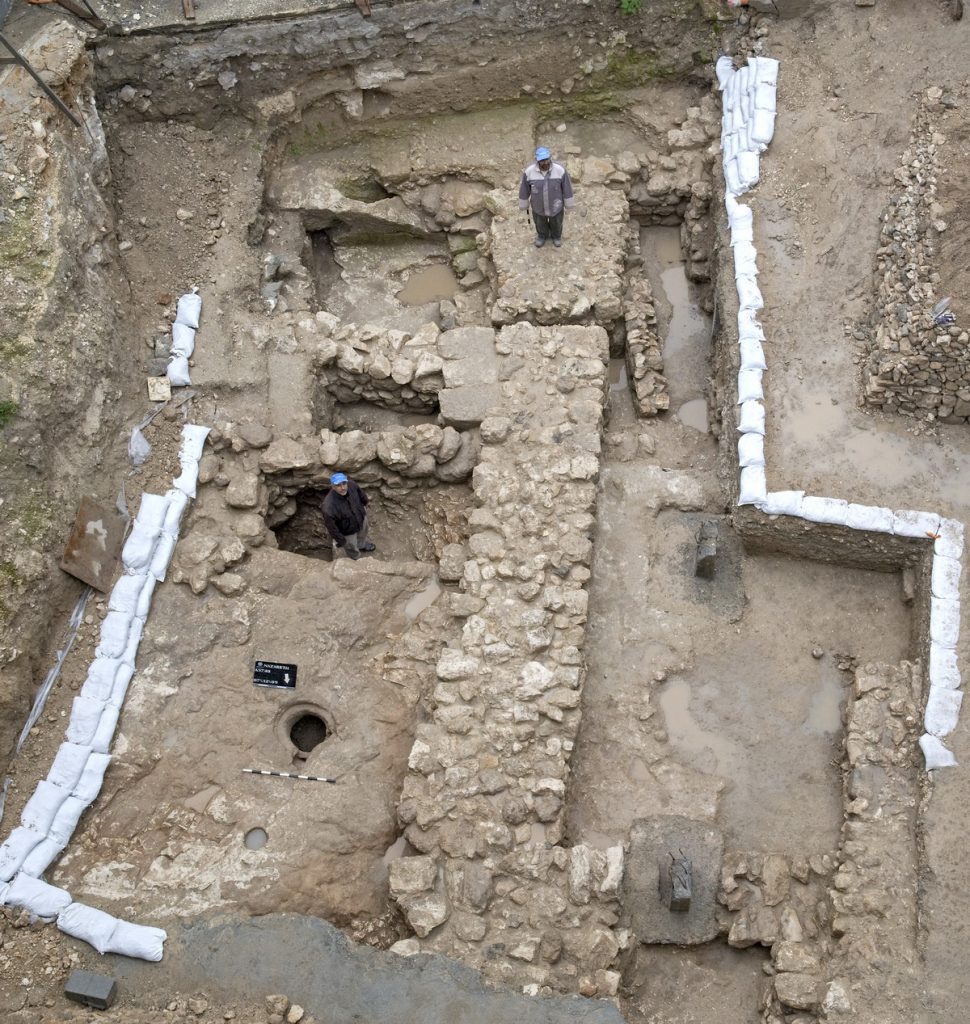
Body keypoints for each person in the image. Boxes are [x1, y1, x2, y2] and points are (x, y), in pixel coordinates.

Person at [518, 146, 575, 249]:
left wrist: (569, 203)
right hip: (538, 206)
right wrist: (524, 203)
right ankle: (542, 236)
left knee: (557, 222)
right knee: (540, 223)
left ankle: (556, 236)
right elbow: (524, 189)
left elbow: (567, 187)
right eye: (542, 161)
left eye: (546, 159)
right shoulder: (529, 172)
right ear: (537, 161)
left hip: (556, 206)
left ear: (550, 158)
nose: (545, 163)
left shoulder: (560, 170)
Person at [321, 472, 375, 560]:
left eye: (344, 483)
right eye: (338, 485)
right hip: (347, 531)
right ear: (333, 487)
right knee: (351, 546)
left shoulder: (352, 485)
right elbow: (332, 528)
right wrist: (341, 541)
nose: (343, 487)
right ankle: (355, 557)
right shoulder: (328, 506)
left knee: (362, 534)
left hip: (360, 518)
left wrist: (365, 502)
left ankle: (361, 545)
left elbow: (361, 494)